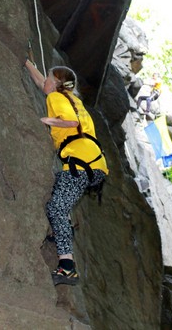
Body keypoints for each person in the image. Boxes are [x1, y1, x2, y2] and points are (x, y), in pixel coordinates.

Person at [25, 58, 109, 285]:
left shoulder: (56, 97)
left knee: (56, 207)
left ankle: (67, 266)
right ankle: (65, 229)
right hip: (92, 162)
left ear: (56, 84)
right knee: (57, 194)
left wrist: (45, 120)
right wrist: (27, 62)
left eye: (49, 78)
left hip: (81, 161)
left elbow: (70, 123)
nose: (46, 82)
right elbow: (43, 82)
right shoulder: (71, 99)